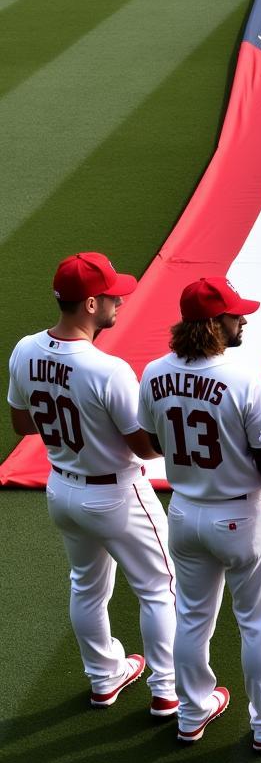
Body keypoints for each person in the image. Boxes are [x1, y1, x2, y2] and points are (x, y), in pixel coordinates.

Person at [6, 253, 176, 715]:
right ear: (90, 304)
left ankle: (105, 677)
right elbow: (144, 448)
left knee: (86, 585)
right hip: (117, 492)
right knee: (159, 586)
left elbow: (22, 423)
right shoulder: (108, 370)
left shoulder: (24, 349)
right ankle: (166, 689)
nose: (119, 300)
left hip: (62, 487)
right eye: (112, 296)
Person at [138, 277, 261, 748]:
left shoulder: (153, 372)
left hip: (183, 511)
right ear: (213, 323)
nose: (242, 319)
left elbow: (149, 444)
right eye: (234, 314)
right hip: (242, 514)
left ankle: (192, 711)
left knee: (192, 617)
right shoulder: (244, 380)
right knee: (260, 623)